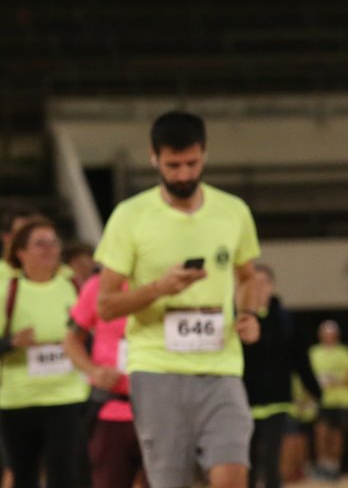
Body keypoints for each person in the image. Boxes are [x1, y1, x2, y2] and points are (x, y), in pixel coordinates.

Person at [94, 111, 263, 488]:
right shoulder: (129, 216)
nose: (184, 174)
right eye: (173, 165)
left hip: (222, 367)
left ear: (204, 154)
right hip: (157, 369)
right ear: (154, 158)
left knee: (233, 473)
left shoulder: (233, 211)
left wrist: (249, 312)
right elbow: (105, 305)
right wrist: (158, 288)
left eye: (192, 163)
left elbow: (249, 277)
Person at [0, 217, 90, 488]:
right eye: (40, 244)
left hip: (67, 394)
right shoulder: (8, 288)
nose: (50, 249)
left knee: (63, 471)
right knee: (24, 474)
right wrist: (12, 342)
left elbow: (93, 330)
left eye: (54, 242)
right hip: (19, 397)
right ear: (20, 251)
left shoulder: (72, 285)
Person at [63, 255, 144, 488]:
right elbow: (71, 341)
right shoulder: (96, 286)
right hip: (112, 410)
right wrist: (94, 371)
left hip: (162, 409)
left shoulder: (167, 283)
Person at [242, 264, 322, 488]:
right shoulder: (237, 318)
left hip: (277, 401)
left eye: (263, 283)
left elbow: (300, 359)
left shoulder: (286, 320)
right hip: (243, 402)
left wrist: (315, 390)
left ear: (272, 286)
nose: (259, 289)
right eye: (253, 283)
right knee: (246, 462)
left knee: (271, 463)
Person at [309, 320, 348, 480]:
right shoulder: (313, 353)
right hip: (322, 400)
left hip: (341, 401)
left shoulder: (346, 353)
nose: (329, 337)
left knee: (337, 436)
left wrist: (338, 382)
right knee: (321, 433)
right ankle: (322, 465)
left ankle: (334, 466)